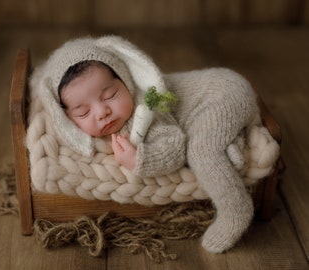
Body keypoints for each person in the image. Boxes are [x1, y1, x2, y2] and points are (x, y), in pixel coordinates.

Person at [34, 35, 265, 253]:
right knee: (207, 135)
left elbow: (174, 145)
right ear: (67, 119)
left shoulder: (145, 108)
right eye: (83, 112)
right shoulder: (95, 116)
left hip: (223, 93)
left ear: (125, 80)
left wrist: (139, 159)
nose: (102, 112)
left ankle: (236, 210)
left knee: (201, 151)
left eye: (110, 95)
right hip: (205, 109)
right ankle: (231, 142)